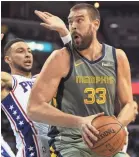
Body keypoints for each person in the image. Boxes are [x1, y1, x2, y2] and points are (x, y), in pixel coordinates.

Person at [27, 3, 138, 157]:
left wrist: (117, 127)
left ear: (95, 24)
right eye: (70, 22)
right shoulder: (60, 58)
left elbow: (130, 104)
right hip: (68, 144)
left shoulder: (117, 57)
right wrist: (80, 121)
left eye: (79, 20)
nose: (73, 26)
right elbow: (34, 108)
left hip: (103, 141)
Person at [1, 26, 69, 157]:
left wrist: (65, 34)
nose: (27, 55)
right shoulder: (8, 80)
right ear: (7, 59)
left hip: (57, 147)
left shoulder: (42, 79)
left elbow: (77, 66)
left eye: (29, 51)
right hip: (32, 150)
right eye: (20, 51)